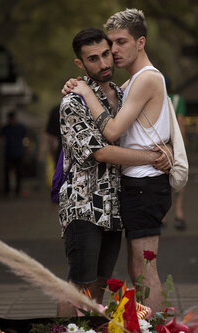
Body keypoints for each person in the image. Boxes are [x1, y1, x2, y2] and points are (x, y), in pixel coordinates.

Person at [57, 27, 170, 316]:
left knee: (99, 285)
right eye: (93, 59)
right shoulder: (73, 102)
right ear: (80, 64)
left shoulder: (122, 95)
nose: (104, 63)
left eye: (106, 54)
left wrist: (166, 152)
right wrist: (151, 158)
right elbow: (100, 151)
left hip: (112, 206)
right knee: (77, 286)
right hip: (83, 205)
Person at [166, 76, 188, 230]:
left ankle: (163, 217)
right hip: (175, 144)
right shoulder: (177, 100)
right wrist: (183, 143)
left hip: (160, 145)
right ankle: (179, 214)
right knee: (179, 176)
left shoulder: (154, 97)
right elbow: (179, 122)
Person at [0, 111, 27, 197]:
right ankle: (7, 191)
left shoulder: (20, 128)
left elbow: (26, 137)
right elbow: (1, 139)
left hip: (18, 153)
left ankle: (17, 191)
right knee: (7, 173)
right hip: (9, 153)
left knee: (18, 173)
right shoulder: (6, 128)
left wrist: (26, 149)